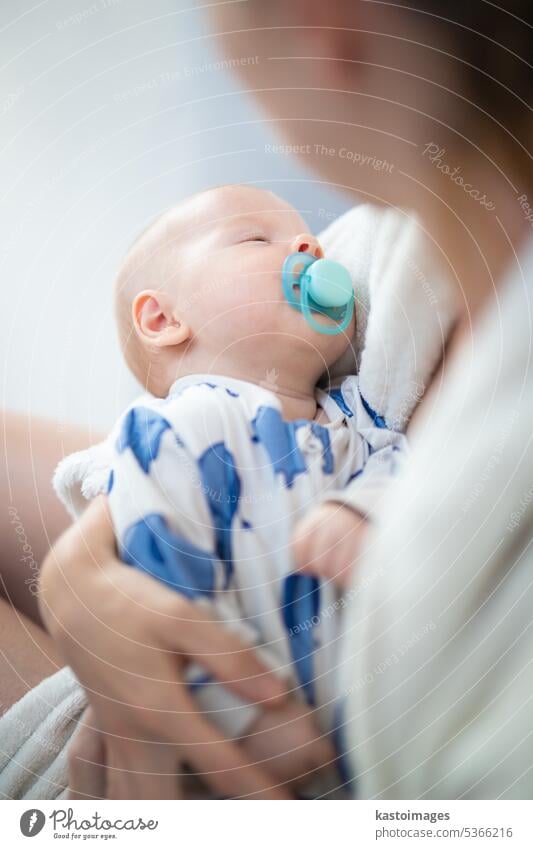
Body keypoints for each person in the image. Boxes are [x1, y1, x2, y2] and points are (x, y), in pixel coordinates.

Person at [3, 0, 532, 798]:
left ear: (325, 28)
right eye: (259, 241)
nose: (308, 250)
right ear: (162, 318)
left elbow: (377, 465)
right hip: (167, 670)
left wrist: (361, 516)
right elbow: (163, 465)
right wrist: (79, 574)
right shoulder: (392, 250)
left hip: (232, 745)